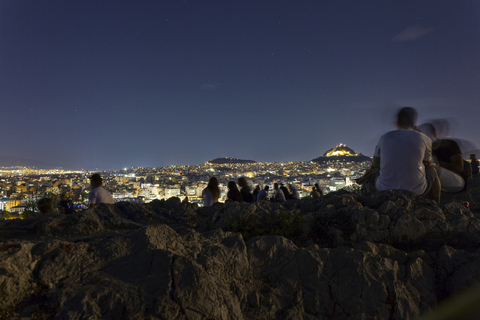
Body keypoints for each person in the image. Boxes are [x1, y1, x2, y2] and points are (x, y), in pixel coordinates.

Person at [371, 107, 440, 202]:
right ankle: (435, 205)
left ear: (397, 122)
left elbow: (375, 164)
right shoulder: (425, 139)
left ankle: (379, 203)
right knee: (433, 170)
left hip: (384, 188)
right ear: (413, 123)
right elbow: (427, 164)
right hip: (416, 189)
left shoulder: (384, 138)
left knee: (376, 172)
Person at [418, 123, 465, 193]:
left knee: (433, 170)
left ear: (433, 133)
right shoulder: (424, 148)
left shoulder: (449, 144)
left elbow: (459, 168)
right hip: (437, 179)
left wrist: (437, 163)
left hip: (457, 181)